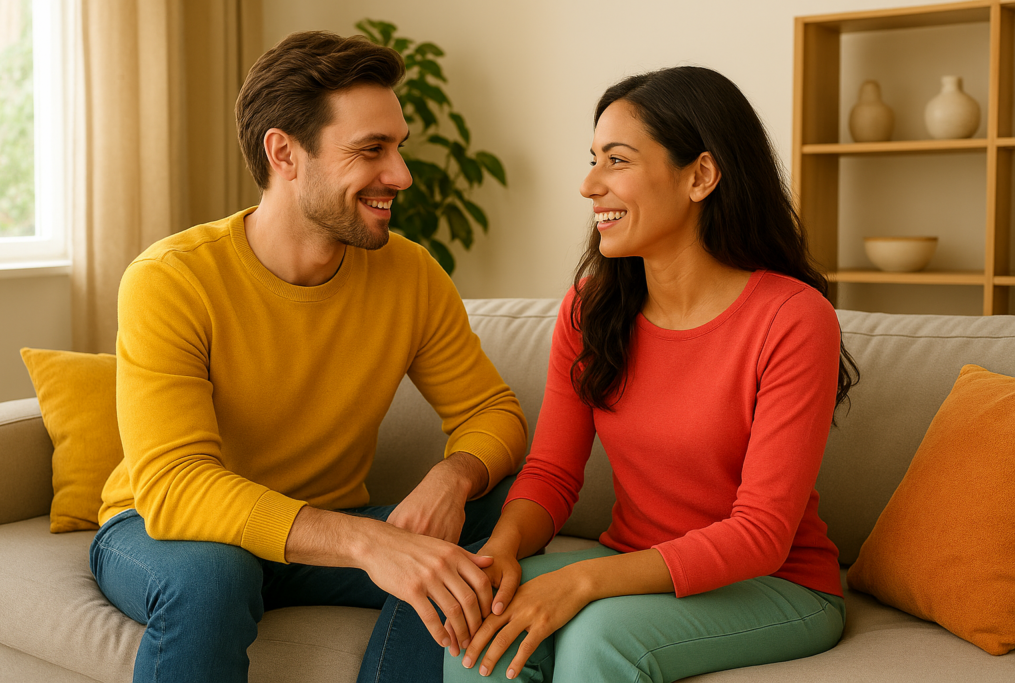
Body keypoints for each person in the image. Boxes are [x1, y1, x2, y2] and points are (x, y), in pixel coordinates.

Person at [88, 31, 528, 683]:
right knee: (217, 570)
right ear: (284, 153)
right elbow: (177, 486)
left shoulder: (410, 274)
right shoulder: (172, 278)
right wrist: (369, 542)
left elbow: (493, 411)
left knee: (506, 510)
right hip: (164, 532)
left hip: (319, 533)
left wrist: (454, 477)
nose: (401, 175)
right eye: (371, 150)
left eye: (398, 148)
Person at [445, 66, 860, 683]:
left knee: (601, 637)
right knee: (483, 609)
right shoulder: (590, 309)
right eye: (592, 160)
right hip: (633, 565)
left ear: (700, 176)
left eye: (617, 160)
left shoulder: (793, 318)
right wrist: (501, 550)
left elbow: (761, 534)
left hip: (778, 585)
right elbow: (554, 473)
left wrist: (584, 579)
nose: (589, 185)